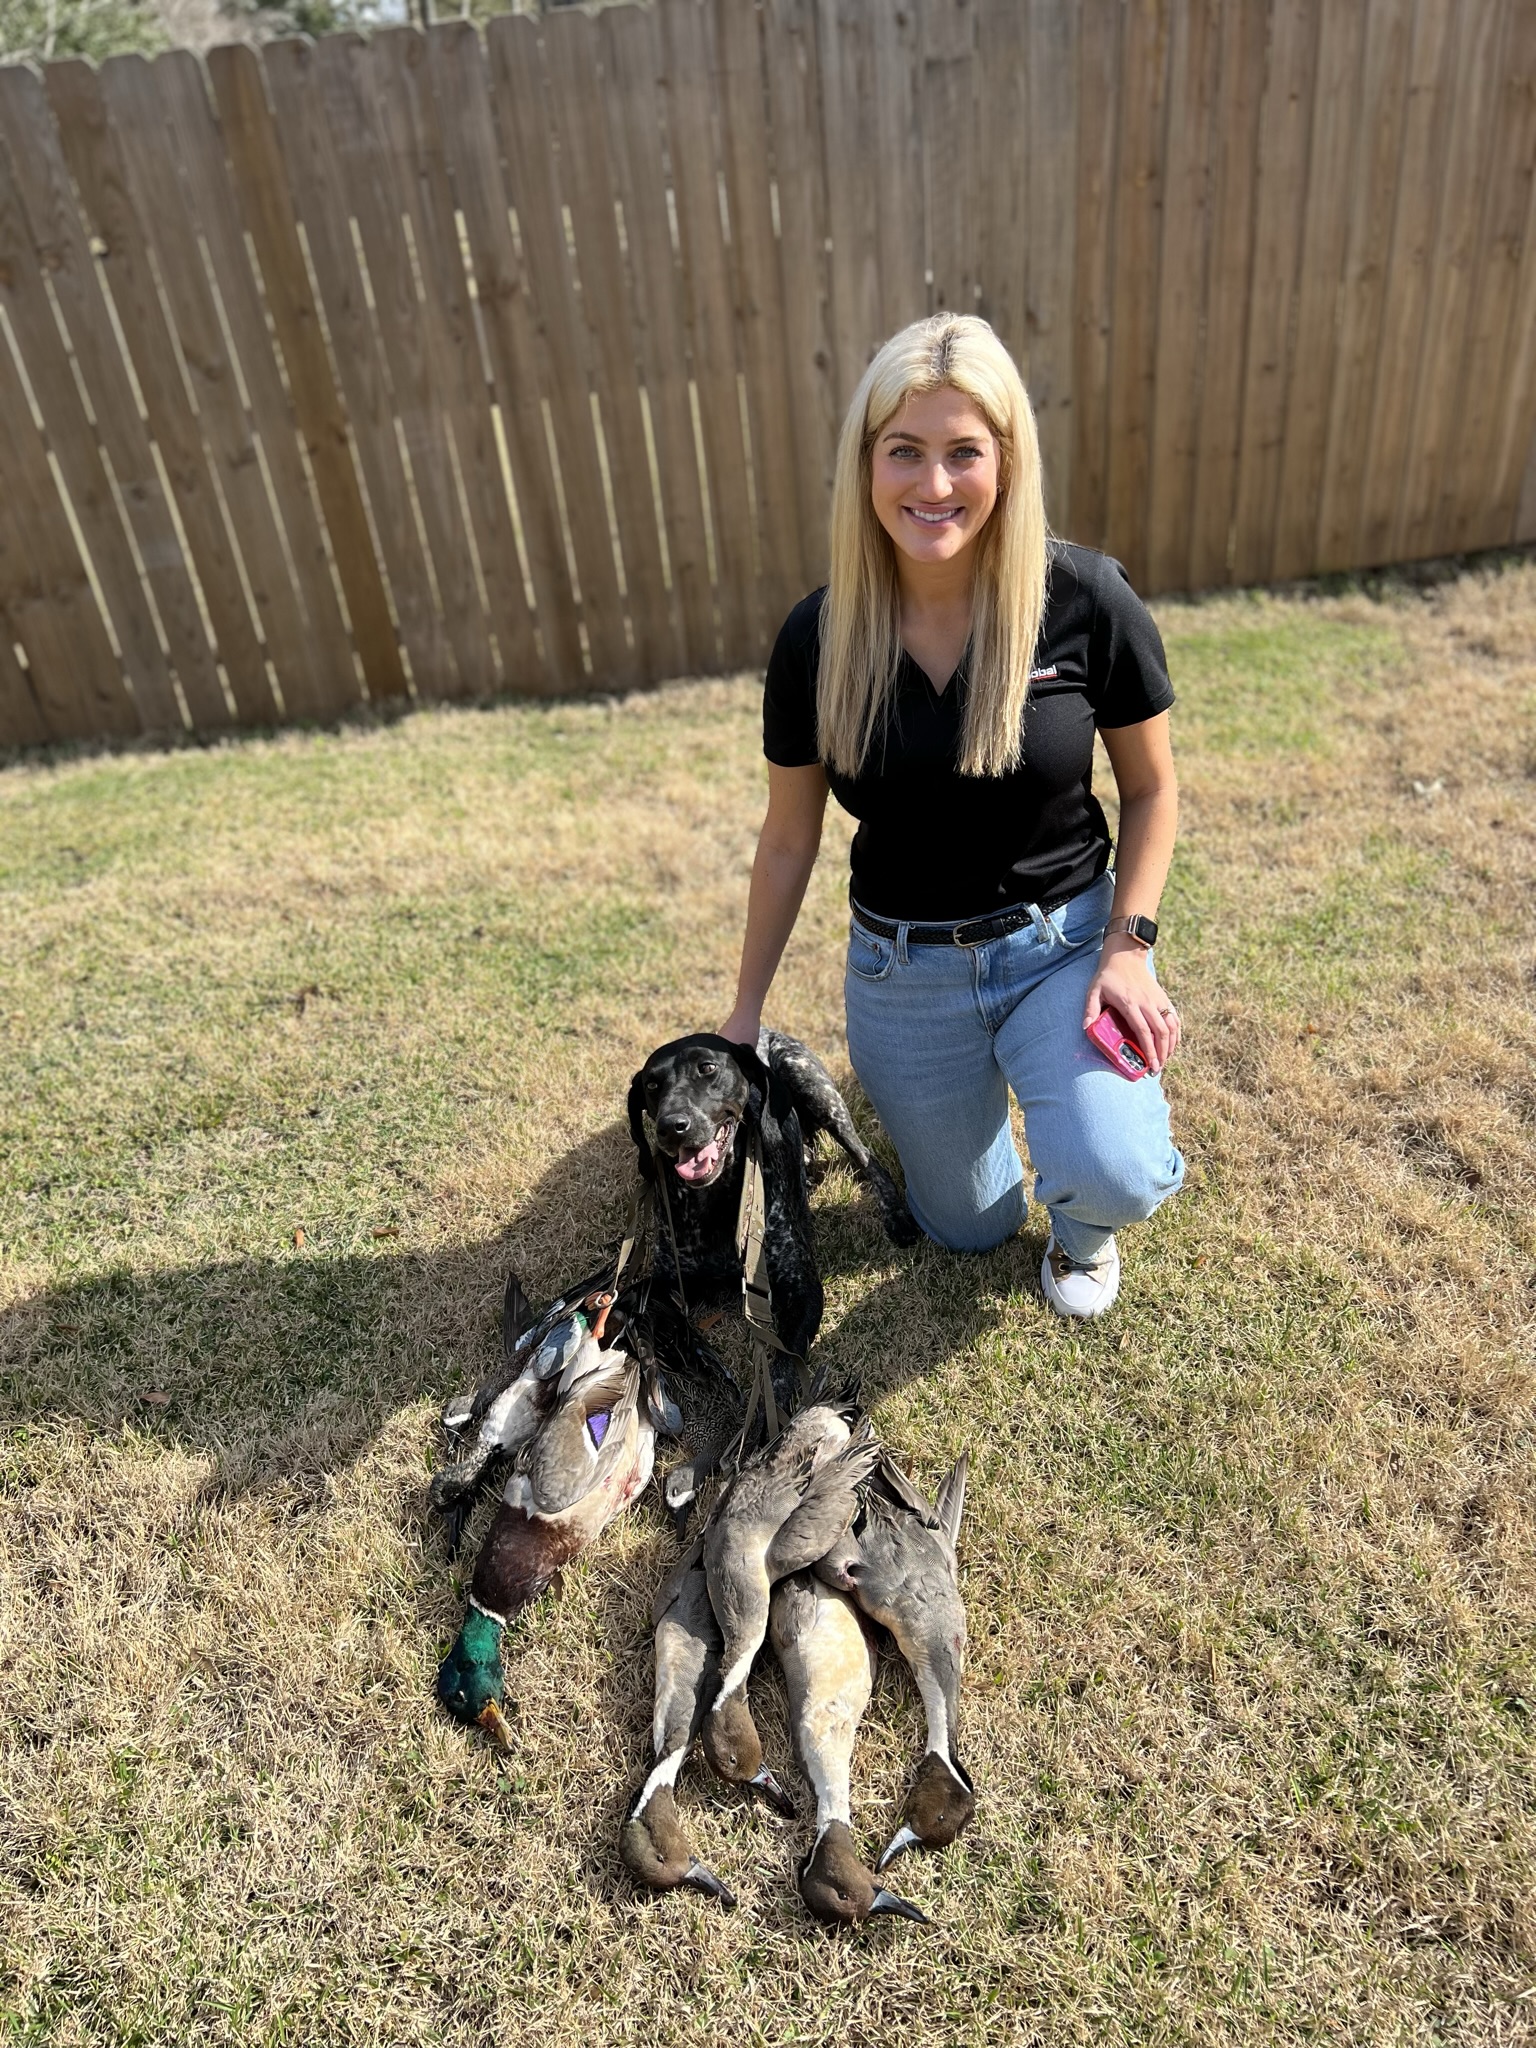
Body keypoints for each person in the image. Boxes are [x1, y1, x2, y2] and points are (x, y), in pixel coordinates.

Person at [719, 313, 1184, 1319]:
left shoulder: (1085, 598)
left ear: (1006, 460)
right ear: (866, 464)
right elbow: (790, 836)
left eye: (964, 451)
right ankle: (963, 1110)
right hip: (906, 972)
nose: (934, 483)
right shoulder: (817, 637)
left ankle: (1084, 1225)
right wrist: (744, 1017)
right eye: (904, 451)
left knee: (1114, 1171)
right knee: (969, 1226)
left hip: (1063, 947)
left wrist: (1129, 946)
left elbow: (1153, 790)